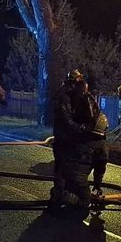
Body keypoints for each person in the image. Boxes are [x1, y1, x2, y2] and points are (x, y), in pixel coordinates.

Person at [49, 69, 109, 216]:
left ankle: (67, 197)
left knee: (68, 170)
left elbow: (93, 114)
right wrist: (81, 129)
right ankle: (59, 196)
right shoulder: (64, 96)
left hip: (76, 139)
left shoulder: (84, 96)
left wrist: (86, 130)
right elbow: (66, 119)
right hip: (64, 138)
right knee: (61, 168)